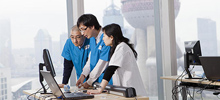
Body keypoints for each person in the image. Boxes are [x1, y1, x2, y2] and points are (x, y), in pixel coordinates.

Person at [87, 23, 147, 96]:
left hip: (133, 92)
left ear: (111, 37)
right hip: (126, 91)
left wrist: (100, 89)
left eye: (104, 36)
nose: (103, 38)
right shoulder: (117, 48)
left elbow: (111, 69)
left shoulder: (122, 47)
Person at [76, 14, 113, 88]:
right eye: (81, 30)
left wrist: (89, 82)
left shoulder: (106, 38)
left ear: (92, 26)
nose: (83, 33)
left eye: (84, 29)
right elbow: (90, 59)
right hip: (96, 81)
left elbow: (102, 63)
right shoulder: (92, 39)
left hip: (106, 82)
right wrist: (83, 75)